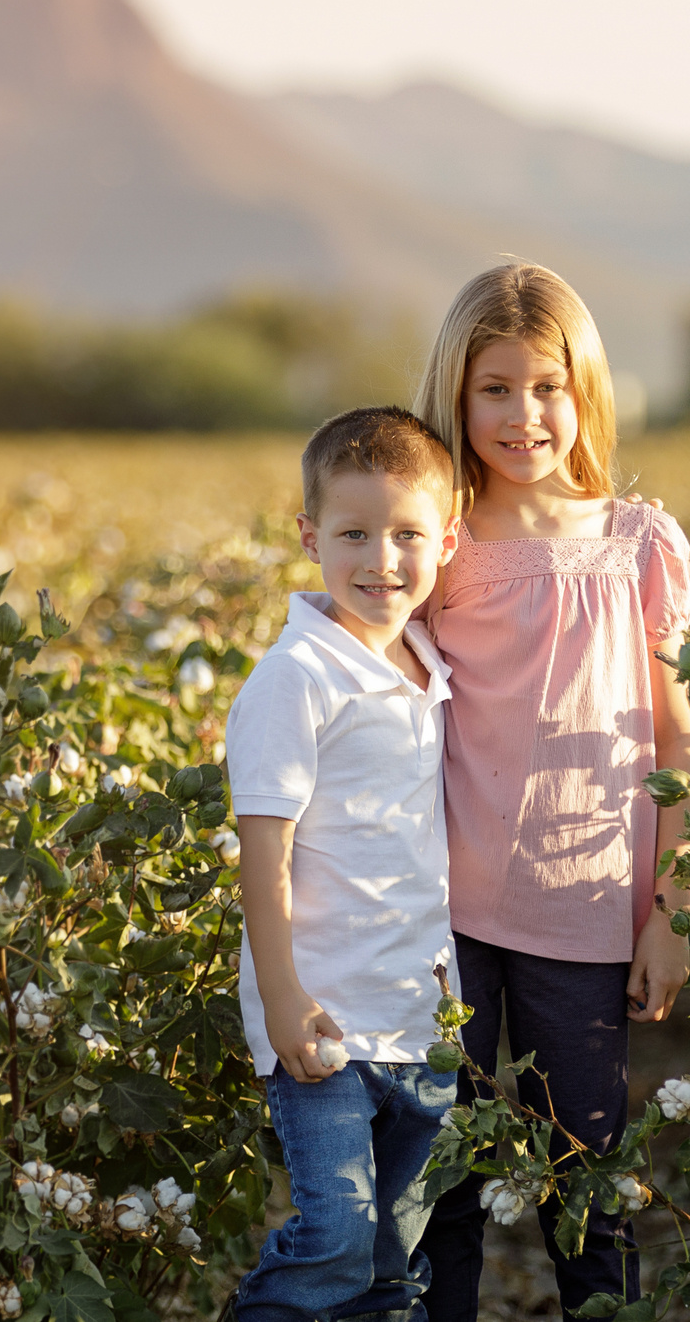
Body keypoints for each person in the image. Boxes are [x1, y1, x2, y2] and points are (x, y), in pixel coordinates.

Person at [410, 263, 690, 1322]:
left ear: (583, 392)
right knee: (435, 1186)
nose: (522, 414)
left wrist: (665, 915)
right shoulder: (433, 545)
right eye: (494, 389)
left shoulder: (634, 547)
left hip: (579, 913)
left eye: (546, 387)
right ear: (455, 392)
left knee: (584, 1187)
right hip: (439, 915)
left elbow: (679, 739)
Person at [229, 405, 467, 1322]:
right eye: (353, 533)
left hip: (421, 1019)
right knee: (334, 1235)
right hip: (324, 1018)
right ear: (308, 537)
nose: (382, 559)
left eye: (408, 534)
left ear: (446, 540)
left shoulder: (426, 660)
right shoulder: (297, 676)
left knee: (392, 1260)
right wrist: (281, 993)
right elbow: (265, 849)